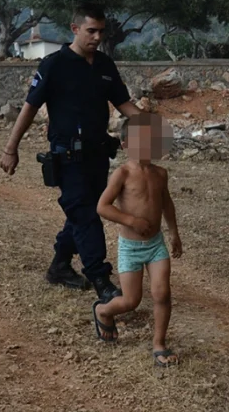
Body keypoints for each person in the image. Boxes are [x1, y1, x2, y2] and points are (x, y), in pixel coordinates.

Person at [0, 3, 141, 304]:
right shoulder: (54, 65)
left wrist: (151, 125)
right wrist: (11, 149)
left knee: (81, 213)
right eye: (91, 30)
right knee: (86, 213)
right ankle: (100, 279)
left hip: (98, 156)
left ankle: (60, 266)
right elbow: (30, 108)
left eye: (101, 31)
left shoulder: (104, 65)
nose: (97, 37)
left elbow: (124, 105)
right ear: (75, 29)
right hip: (67, 157)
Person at [92, 113, 182, 367]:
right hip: (130, 248)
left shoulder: (160, 173)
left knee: (162, 293)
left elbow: (166, 203)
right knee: (131, 301)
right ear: (125, 145)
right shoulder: (122, 174)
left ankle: (159, 344)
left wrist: (174, 232)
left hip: (155, 245)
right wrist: (132, 221)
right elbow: (102, 206)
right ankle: (103, 311)